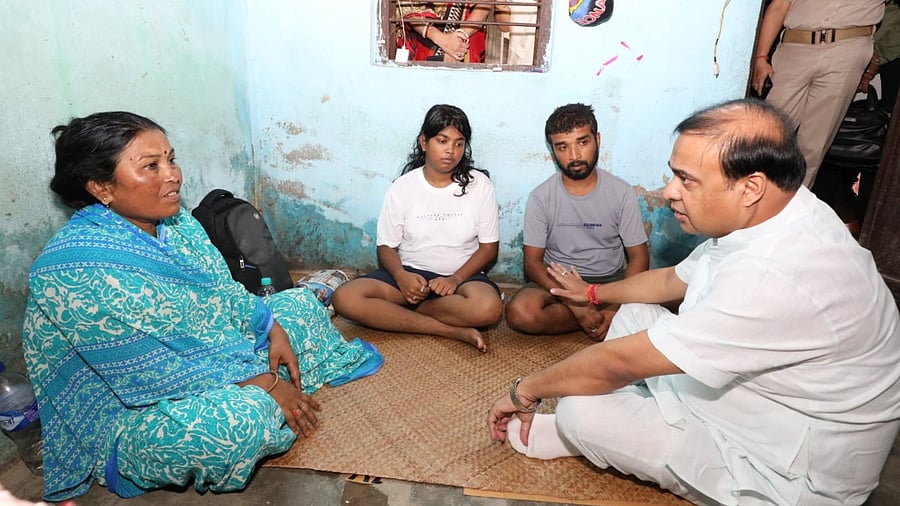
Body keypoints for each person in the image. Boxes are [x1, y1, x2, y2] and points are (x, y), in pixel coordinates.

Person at [487, 99, 900, 505]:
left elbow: (619, 362)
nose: (669, 192)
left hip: (792, 462)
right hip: (770, 399)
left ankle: (627, 440)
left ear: (750, 186)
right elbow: (670, 279)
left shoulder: (774, 274)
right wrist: (593, 294)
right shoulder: (781, 211)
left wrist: (525, 389)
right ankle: (643, 412)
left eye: (687, 180)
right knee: (632, 316)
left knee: (579, 413)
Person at [22, 112, 383, 502]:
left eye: (171, 159)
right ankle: (263, 399)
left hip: (215, 353)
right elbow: (145, 377)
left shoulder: (179, 225)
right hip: (131, 410)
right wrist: (264, 380)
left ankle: (267, 387)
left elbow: (226, 295)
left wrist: (271, 327)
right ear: (100, 187)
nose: (173, 175)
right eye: (151, 166)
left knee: (299, 305)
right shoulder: (71, 270)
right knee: (238, 425)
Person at [332, 104, 502, 352]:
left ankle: (405, 311)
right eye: (442, 141)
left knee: (488, 308)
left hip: (463, 278)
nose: (451, 151)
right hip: (412, 276)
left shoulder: (480, 185)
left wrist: (455, 279)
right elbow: (386, 247)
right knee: (344, 298)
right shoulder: (403, 187)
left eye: (458, 143)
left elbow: (488, 249)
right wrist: (401, 277)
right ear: (424, 142)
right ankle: (448, 329)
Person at [504, 104, 649, 340]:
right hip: (558, 281)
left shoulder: (621, 192)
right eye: (563, 147)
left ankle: (607, 316)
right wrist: (578, 308)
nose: (574, 155)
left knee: (669, 298)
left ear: (597, 140)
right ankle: (594, 318)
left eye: (583, 142)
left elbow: (639, 256)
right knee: (521, 313)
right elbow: (532, 263)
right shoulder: (541, 197)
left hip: (608, 280)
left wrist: (613, 310)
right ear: (552, 150)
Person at [751, 0, 884, 188]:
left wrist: (881, 53)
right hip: (794, 47)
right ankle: (747, 200)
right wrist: (761, 57)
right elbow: (780, 4)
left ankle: (792, 210)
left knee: (813, 147)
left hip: (847, 50)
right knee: (766, 136)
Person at [396, 2, 490, 62]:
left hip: (465, 47)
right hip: (422, 46)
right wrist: (441, 39)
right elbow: (405, 10)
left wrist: (458, 41)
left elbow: (484, 6)